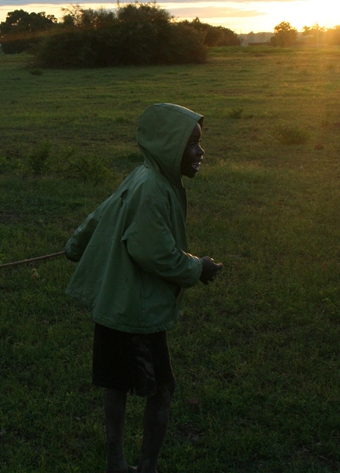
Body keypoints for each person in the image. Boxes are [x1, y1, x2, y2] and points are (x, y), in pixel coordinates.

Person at [64, 103, 222, 473]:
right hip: (136, 310)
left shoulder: (143, 176)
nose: (200, 152)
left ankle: (117, 463)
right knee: (162, 390)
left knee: (116, 387)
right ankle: (145, 467)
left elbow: (103, 212)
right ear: (169, 146)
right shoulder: (153, 187)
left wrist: (76, 244)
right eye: (192, 143)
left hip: (115, 304)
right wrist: (198, 268)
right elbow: (156, 253)